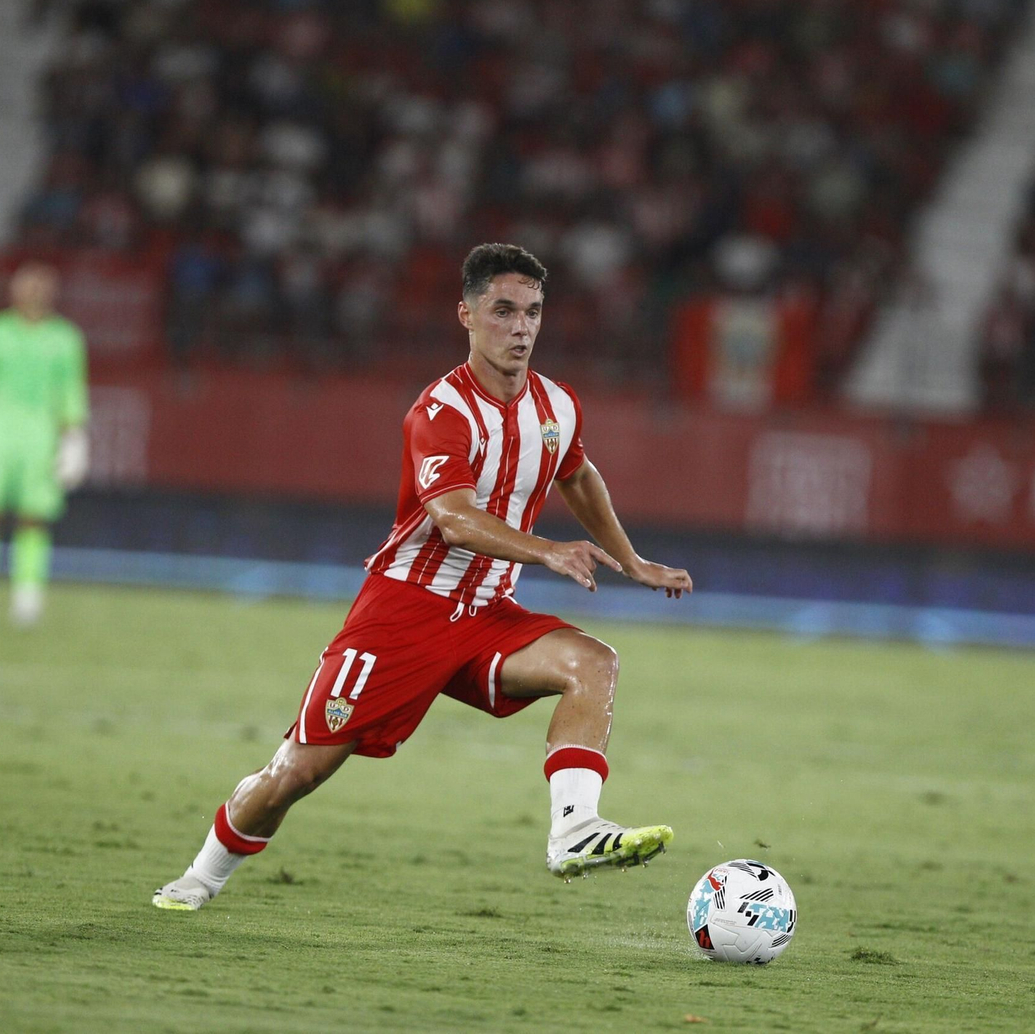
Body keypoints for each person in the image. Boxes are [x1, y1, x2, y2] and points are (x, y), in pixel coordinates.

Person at [153, 244, 694, 910]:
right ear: (465, 314)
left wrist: (633, 560)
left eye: (532, 312)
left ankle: (574, 829)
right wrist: (546, 549)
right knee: (299, 769)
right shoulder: (440, 411)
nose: (520, 327)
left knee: (594, 662)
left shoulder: (556, 405)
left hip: (487, 614)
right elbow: (456, 520)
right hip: (403, 614)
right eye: (503, 311)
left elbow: (576, 474)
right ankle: (200, 875)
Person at [0, 262, 90, 625]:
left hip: (41, 436)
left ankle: (27, 598)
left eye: (41, 286)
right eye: (27, 286)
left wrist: (74, 436)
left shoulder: (66, 338)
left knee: (34, 519)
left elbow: (71, 389)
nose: (33, 293)